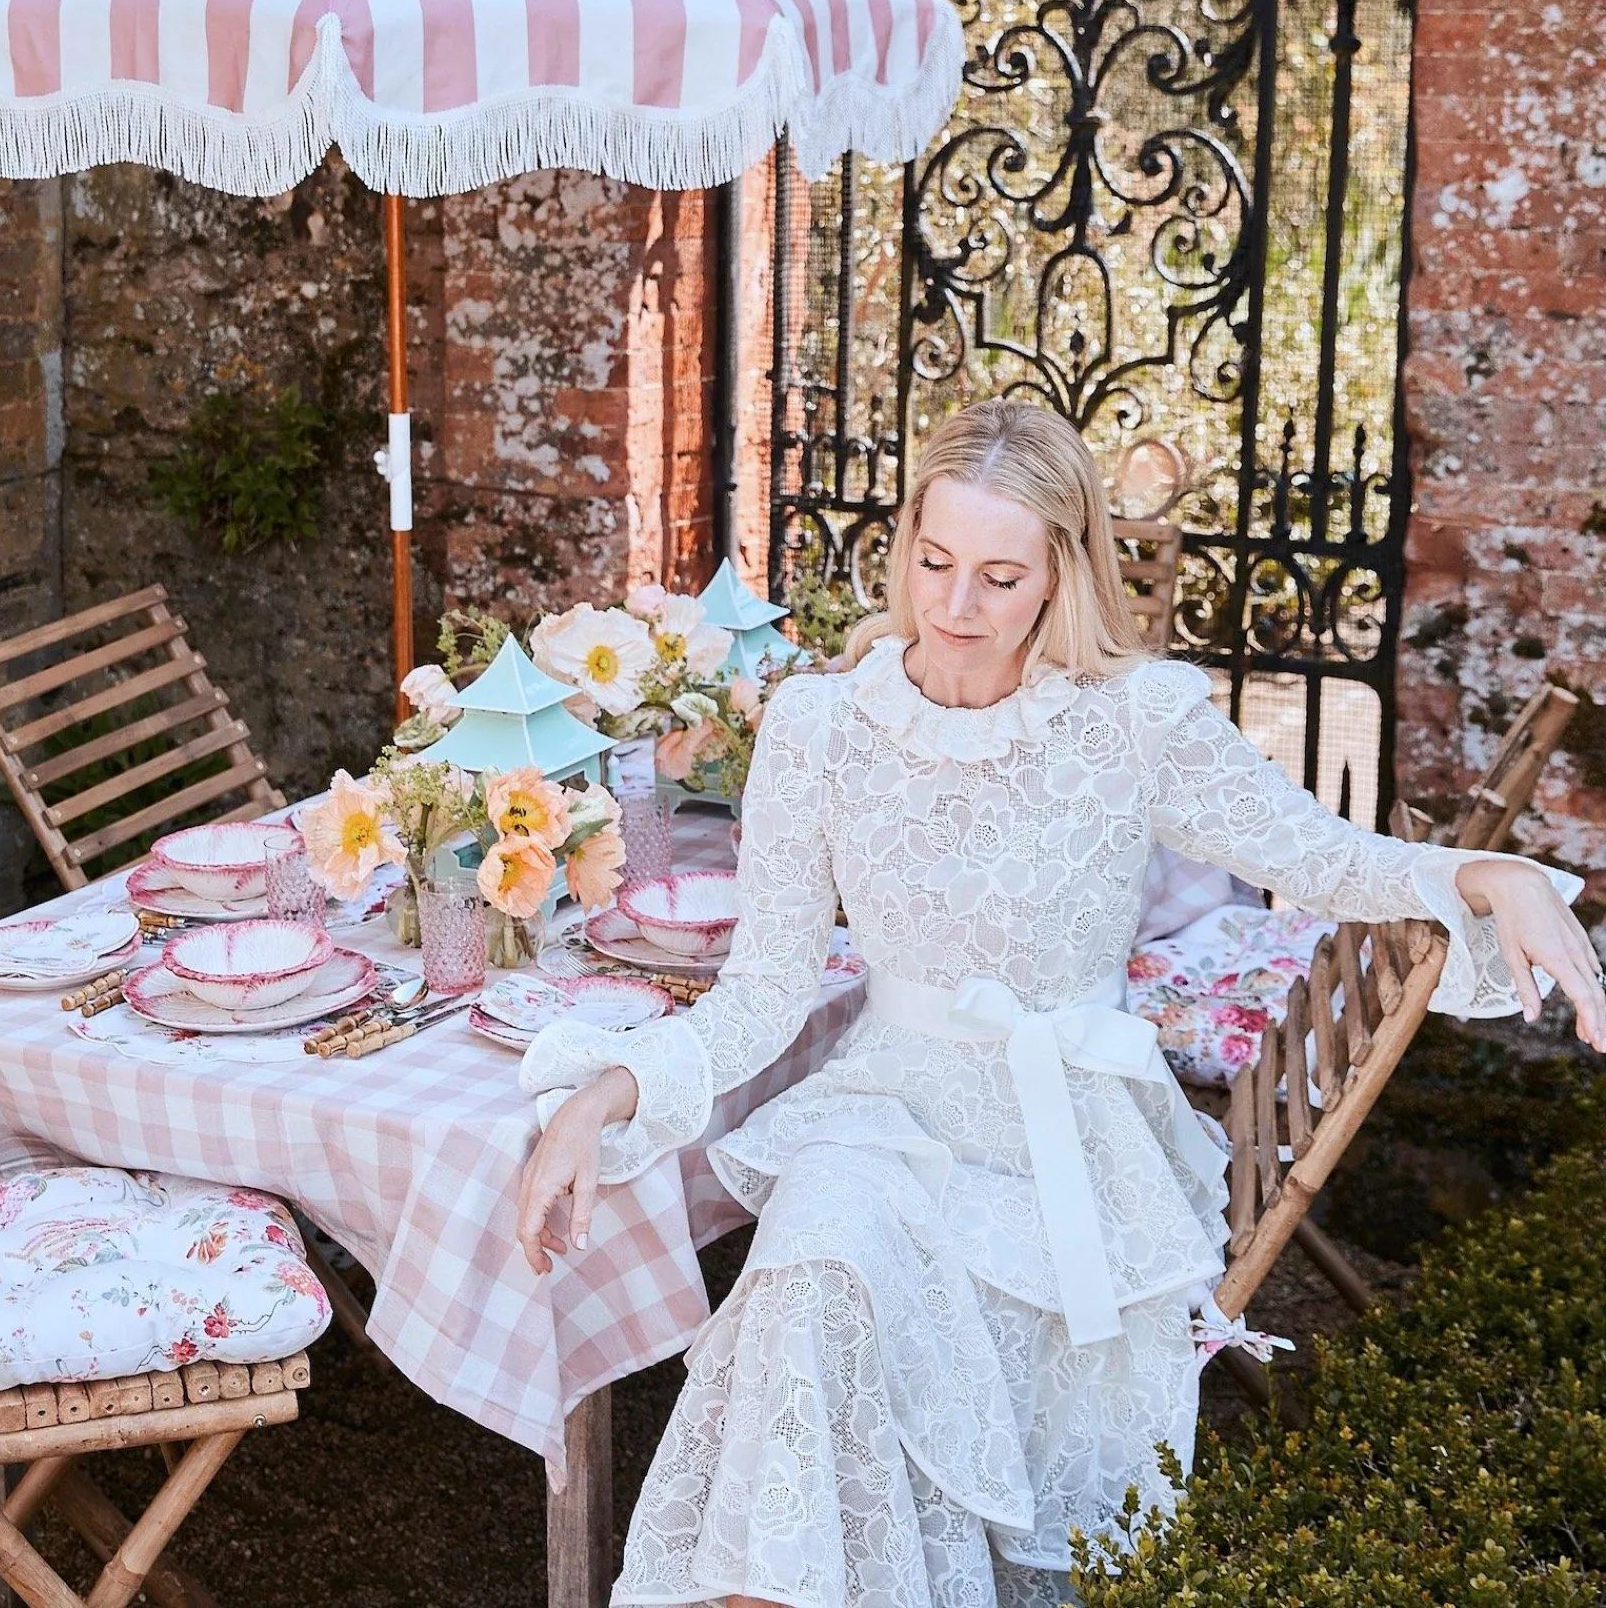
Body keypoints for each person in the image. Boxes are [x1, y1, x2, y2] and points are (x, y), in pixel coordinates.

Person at [514, 400, 1604, 1608]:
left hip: (1067, 1146)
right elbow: (764, 989)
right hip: (883, 1122)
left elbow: (1313, 852)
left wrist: (1474, 870)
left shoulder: (1132, 721)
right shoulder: (821, 727)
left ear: (1060, 573)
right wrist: (611, 1083)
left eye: (997, 575)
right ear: (903, 546)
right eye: (932, 562)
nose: (954, 606)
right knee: (801, 1297)